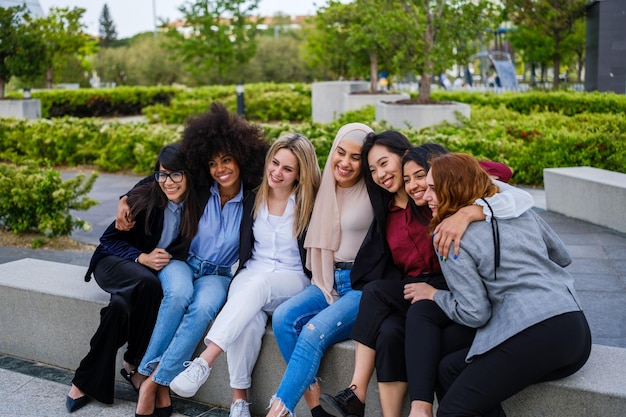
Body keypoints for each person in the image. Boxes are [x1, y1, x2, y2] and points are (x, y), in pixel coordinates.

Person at [320, 135, 534, 417]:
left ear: (406, 155)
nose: (381, 174)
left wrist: (471, 211)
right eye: (373, 170)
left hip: (453, 285)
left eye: (385, 163)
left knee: (377, 295)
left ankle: (359, 393)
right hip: (412, 287)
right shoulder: (385, 206)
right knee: (389, 332)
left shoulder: (434, 192)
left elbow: (503, 179)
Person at [407, 152, 591, 417]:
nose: (425, 197)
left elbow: (475, 313)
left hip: (536, 335)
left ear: (455, 188)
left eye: (433, 189)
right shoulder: (518, 211)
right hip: (576, 331)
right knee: (450, 371)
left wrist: (434, 294)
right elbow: (562, 255)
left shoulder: (448, 235)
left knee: (453, 411)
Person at [116, 103, 269, 417]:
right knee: (178, 297)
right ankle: (148, 373)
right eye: (212, 163)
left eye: (226, 160)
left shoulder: (254, 196)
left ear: (242, 158)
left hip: (220, 275)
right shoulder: (201, 187)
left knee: (202, 309)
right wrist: (126, 197)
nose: (219, 169)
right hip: (183, 263)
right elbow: (161, 174)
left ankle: (152, 381)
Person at [168, 133, 321, 417]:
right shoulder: (255, 194)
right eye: (274, 163)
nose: (277, 172)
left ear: (300, 173)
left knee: (256, 286)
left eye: (287, 169)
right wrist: (129, 198)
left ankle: (204, 360)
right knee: (247, 320)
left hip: (292, 280)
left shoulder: (310, 203)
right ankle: (239, 403)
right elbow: (177, 176)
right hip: (252, 274)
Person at [264, 122, 398, 417]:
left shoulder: (377, 190)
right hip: (325, 279)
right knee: (285, 318)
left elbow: (415, 174)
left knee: (311, 332)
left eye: (356, 157)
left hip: (362, 286)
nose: (346, 163)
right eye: (341, 153)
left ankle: (278, 411)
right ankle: (317, 409)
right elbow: (278, 173)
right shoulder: (320, 185)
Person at [65, 143, 200, 413]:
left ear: (189, 175)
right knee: (149, 283)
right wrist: (142, 258)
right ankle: (135, 365)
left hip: (141, 277)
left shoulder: (196, 202)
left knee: (120, 307)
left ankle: (91, 377)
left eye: (175, 175)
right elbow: (108, 241)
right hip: (113, 262)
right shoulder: (145, 198)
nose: (168, 182)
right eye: (162, 175)